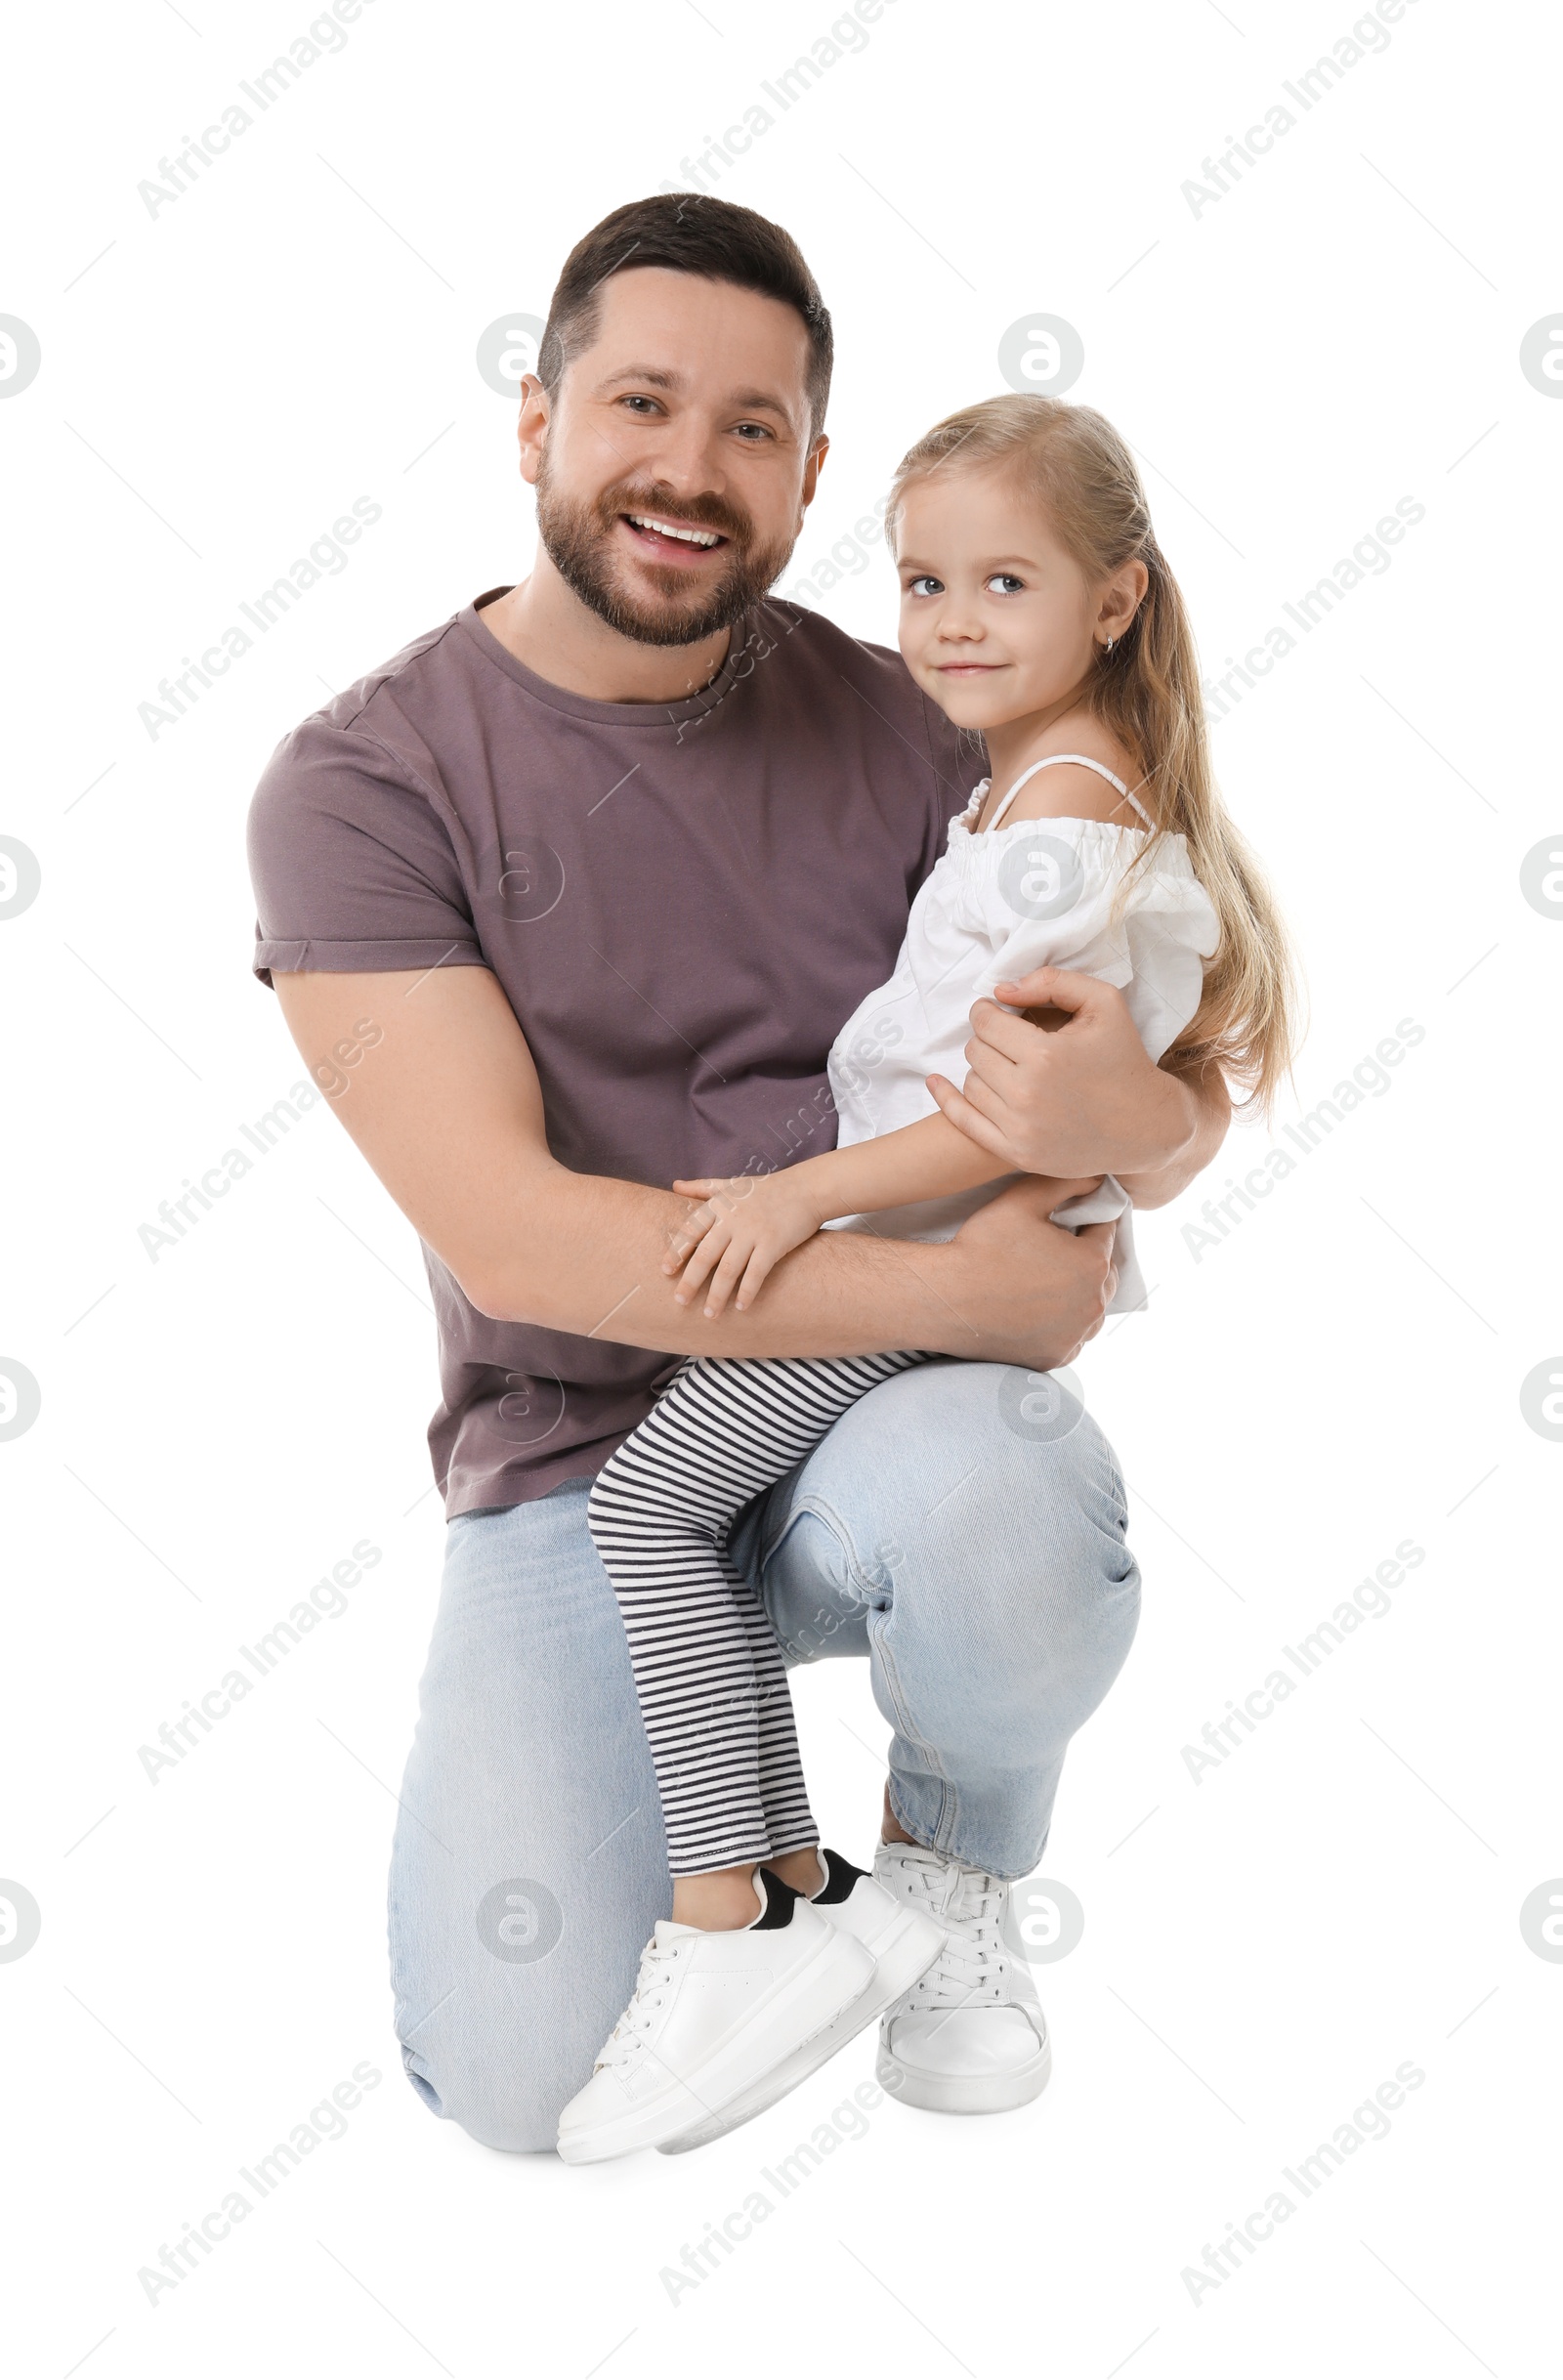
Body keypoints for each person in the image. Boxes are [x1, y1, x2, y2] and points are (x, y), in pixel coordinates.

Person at [246, 194, 1234, 2158]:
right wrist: (976, 1290)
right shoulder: (362, 785)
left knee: (1007, 1507)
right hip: (574, 1467)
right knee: (519, 2080)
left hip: (862, 1434)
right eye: (637, 403)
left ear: (806, 478)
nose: (688, 472)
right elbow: (518, 1234)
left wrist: (1139, 1137)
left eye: (753, 429)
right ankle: (767, 1909)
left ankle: (942, 1892)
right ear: (532, 419)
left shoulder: (906, 719)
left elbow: (1141, 1044)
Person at [565, 394, 1292, 2159]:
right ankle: (803, 1876)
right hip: (911, 1250)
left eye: (1003, 581)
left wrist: (795, 1202)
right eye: (921, 580)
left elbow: (998, 1120)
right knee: (676, 1519)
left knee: (651, 1514)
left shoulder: (1061, 832)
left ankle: (734, 1916)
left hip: (901, 1255)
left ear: (1113, 602)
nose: (952, 620)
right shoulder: (1047, 795)